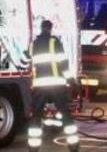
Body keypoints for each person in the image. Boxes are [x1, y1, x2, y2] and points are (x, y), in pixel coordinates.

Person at [27, 19, 78, 151]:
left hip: (39, 86)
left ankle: (33, 148)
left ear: (41, 28)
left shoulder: (33, 44)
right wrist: (70, 80)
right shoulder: (55, 42)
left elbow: (25, 61)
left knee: (36, 116)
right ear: (50, 29)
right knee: (65, 114)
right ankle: (73, 146)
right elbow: (63, 63)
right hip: (56, 85)